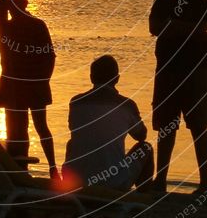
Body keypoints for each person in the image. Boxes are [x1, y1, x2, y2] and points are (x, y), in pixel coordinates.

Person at [0, 0, 59, 179]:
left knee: (38, 127)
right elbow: (47, 58)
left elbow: (49, 57)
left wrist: (41, 80)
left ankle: (52, 167)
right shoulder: (14, 26)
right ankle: (40, 168)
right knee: (27, 128)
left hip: (30, 85)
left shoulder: (28, 26)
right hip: (25, 86)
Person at [149, 0, 207, 197]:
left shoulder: (203, 0)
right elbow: (154, 27)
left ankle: (205, 183)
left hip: (195, 72)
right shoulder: (162, 0)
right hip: (167, 71)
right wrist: (183, 27)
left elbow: (200, 28)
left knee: (198, 126)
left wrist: (173, 26)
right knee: (166, 127)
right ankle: (160, 180)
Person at [62, 55, 153, 192]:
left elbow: (73, 129)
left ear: (91, 77)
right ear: (117, 79)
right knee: (145, 148)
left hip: (76, 180)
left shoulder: (76, 102)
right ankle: (142, 196)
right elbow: (141, 136)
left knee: (72, 143)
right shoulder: (126, 105)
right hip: (113, 181)